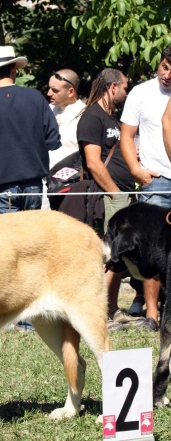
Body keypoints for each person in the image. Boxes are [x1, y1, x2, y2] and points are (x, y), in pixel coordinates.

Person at [76, 68, 142, 330]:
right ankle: (101, 313)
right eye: (125, 87)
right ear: (113, 87)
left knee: (118, 256)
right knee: (110, 255)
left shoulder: (112, 119)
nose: (126, 93)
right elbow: (93, 162)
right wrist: (114, 192)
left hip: (123, 193)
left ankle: (111, 309)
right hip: (108, 196)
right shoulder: (92, 117)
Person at [0, 45, 61, 215]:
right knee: (32, 237)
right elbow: (53, 140)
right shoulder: (35, 98)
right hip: (33, 182)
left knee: (7, 240)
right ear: (14, 70)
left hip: (1, 184)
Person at [121, 46, 171, 331]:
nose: (167, 74)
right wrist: (136, 170)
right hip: (156, 179)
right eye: (164, 66)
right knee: (152, 249)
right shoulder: (140, 93)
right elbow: (127, 135)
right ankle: (151, 314)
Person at [47, 69, 86, 168]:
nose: (49, 93)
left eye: (55, 90)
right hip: (45, 178)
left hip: (70, 179)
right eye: (49, 88)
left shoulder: (84, 114)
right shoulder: (47, 110)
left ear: (71, 91)